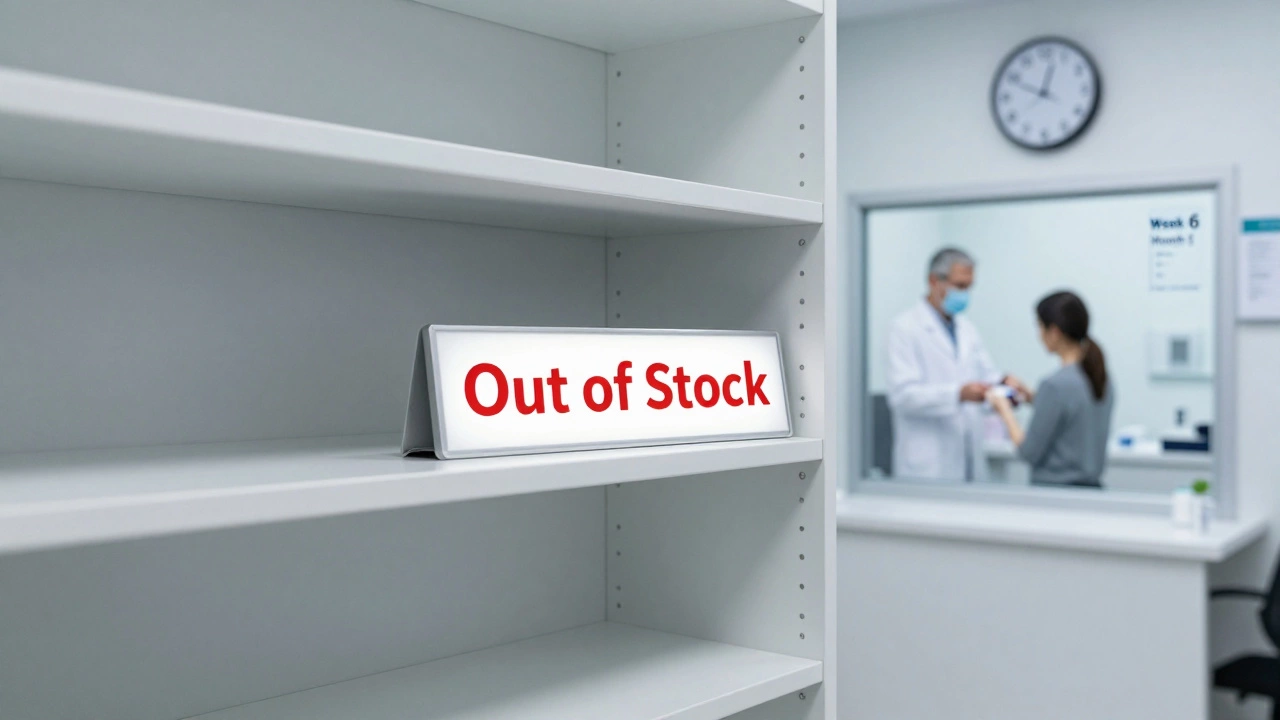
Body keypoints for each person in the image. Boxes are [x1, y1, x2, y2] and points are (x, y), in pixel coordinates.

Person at [887, 248, 1029, 481]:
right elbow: (902, 396)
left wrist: (1001, 386)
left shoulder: (967, 329)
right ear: (934, 280)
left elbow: (985, 377)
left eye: (969, 287)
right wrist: (957, 394)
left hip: (968, 458)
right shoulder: (904, 328)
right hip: (927, 465)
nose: (965, 294)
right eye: (960, 286)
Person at [988, 291, 1115, 489]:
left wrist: (1003, 408)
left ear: (1054, 332)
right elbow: (1073, 414)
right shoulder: (1101, 378)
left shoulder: (1054, 385)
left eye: (1039, 327)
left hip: (1055, 496)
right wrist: (1033, 398)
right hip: (1092, 491)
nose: (1039, 335)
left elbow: (1027, 453)